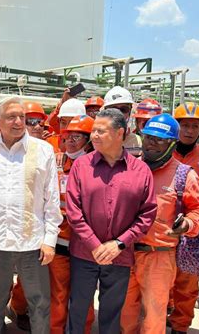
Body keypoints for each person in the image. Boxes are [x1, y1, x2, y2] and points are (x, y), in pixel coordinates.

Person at [0, 96, 62, 334]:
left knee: (39, 302)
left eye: (22, 117)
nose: (19, 122)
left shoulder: (43, 151)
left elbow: (51, 199)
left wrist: (50, 240)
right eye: (11, 117)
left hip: (32, 242)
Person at [66, 108, 157, 334]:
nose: (94, 135)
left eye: (101, 131)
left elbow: (147, 213)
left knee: (112, 314)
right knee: (77, 309)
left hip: (120, 256)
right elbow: (73, 211)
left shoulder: (140, 170)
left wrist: (118, 244)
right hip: (85, 254)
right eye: (93, 131)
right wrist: (95, 245)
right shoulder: (81, 166)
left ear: (120, 133)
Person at [120, 114, 199, 334]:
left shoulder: (183, 175)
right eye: (149, 137)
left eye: (159, 139)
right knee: (125, 311)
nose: (151, 143)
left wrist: (187, 223)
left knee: (154, 315)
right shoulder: (128, 167)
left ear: (172, 143)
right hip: (125, 252)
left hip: (159, 255)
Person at [168, 102, 199, 334]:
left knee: (187, 285)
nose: (189, 130)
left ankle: (180, 326)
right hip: (164, 229)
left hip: (194, 231)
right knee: (161, 281)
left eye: (194, 126)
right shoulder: (163, 151)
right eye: (184, 125)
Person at [50, 114, 96, 333]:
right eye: (68, 136)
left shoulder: (98, 167)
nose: (70, 141)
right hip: (60, 243)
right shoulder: (55, 162)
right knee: (58, 295)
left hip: (85, 246)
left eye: (77, 137)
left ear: (89, 141)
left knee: (83, 297)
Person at [103, 86, 142, 157]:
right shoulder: (96, 139)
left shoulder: (138, 142)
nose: (119, 114)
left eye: (124, 109)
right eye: (113, 109)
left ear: (130, 111)